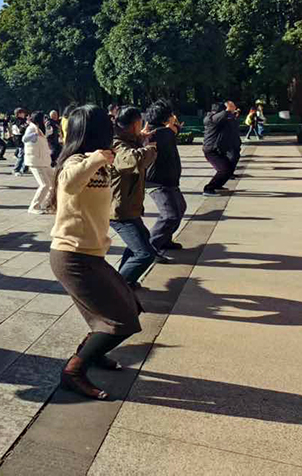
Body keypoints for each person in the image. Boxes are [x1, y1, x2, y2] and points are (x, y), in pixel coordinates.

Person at [50, 105, 140, 400]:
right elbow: (68, 181)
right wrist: (97, 157)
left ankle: (94, 353)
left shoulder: (99, 161)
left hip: (90, 254)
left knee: (129, 307)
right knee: (120, 320)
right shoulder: (76, 161)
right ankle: (73, 372)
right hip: (72, 255)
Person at [108, 107, 159, 290]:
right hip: (120, 211)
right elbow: (134, 160)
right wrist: (151, 148)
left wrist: (141, 138)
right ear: (135, 124)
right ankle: (116, 290)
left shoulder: (126, 140)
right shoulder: (117, 144)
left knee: (140, 244)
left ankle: (125, 282)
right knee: (144, 253)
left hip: (128, 207)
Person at [144, 101, 186, 252]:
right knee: (170, 215)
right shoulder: (158, 133)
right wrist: (173, 126)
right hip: (157, 181)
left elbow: (173, 132)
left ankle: (164, 239)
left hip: (169, 179)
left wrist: (173, 126)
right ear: (166, 117)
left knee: (180, 208)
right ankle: (150, 248)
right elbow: (170, 133)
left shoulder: (162, 131)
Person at [202, 101, 239, 197]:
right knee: (224, 169)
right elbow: (223, 115)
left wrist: (232, 113)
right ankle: (208, 189)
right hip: (211, 150)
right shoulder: (212, 119)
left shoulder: (217, 119)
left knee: (229, 168)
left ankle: (217, 185)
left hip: (217, 149)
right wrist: (228, 110)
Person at [24, 111, 55, 214]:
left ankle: (46, 204)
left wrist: (48, 126)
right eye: (44, 118)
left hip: (44, 161)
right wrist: (34, 134)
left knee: (54, 182)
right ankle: (34, 207)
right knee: (45, 185)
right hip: (35, 161)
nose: (45, 120)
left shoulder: (41, 129)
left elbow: (49, 132)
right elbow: (24, 139)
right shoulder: (31, 129)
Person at [11, 109, 28, 176]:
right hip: (20, 139)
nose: (24, 114)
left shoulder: (19, 120)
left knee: (25, 154)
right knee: (22, 155)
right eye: (23, 113)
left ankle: (24, 168)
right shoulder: (18, 121)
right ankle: (16, 169)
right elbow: (21, 130)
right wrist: (27, 125)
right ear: (19, 114)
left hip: (19, 139)